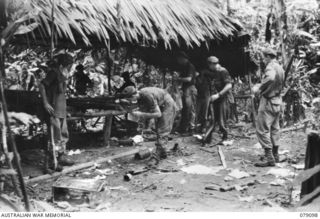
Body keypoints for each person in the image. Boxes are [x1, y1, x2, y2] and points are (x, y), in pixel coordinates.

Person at [122, 86, 177, 162]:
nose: (130, 101)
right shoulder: (140, 97)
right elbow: (146, 109)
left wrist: (141, 114)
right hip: (160, 104)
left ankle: (158, 153)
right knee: (157, 128)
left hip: (167, 103)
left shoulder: (147, 96)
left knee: (163, 129)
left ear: (134, 95)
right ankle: (163, 152)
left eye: (130, 99)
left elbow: (158, 114)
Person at [39, 53, 74, 170]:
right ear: (65, 65)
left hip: (61, 108)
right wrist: (45, 103)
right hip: (54, 108)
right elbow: (42, 85)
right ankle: (52, 161)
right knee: (55, 135)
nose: (70, 67)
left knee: (63, 134)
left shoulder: (62, 74)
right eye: (69, 65)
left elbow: (62, 91)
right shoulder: (53, 73)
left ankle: (61, 156)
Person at [253, 48, 284, 167]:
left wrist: (260, 87)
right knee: (275, 128)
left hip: (268, 101)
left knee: (262, 129)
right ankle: (276, 155)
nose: (263, 59)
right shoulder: (280, 67)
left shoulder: (270, 66)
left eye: (264, 57)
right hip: (277, 100)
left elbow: (270, 78)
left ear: (268, 56)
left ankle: (269, 157)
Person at [208, 56, 233, 141]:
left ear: (212, 64)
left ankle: (225, 137)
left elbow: (229, 85)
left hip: (223, 98)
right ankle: (216, 135)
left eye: (209, 65)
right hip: (217, 98)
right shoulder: (215, 72)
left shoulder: (223, 71)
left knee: (222, 119)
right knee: (215, 118)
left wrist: (218, 95)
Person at [176, 51, 197, 135]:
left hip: (190, 88)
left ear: (183, 59)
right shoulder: (183, 67)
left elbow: (188, 79)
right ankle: (184, 128)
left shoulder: (190, 66)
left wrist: (178, 79)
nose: (178, 61)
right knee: (185, 109)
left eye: (179, 59)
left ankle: (191, 129)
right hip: (185, 89)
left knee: (190, 108)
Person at [195, 68, 212, 133]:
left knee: (205, 113)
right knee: (198, 112)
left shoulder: (207, 79)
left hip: (206, 96)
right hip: (199, 97)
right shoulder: (197, 79)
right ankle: (198, 127)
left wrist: (210, 97)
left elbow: (210, 88)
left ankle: (204, 127)